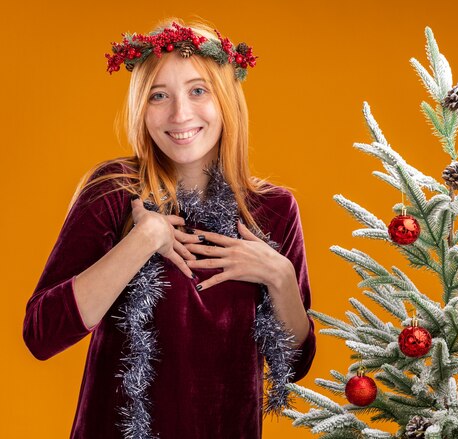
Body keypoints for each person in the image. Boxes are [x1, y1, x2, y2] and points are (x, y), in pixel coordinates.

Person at [23, 19, 316, 439]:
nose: (180, 114)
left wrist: (280, 275)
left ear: (226, 101)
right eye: (159, 96)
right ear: (141, 108)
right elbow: (41, 334)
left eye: (198, 90)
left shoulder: (273, 210)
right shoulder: (114, 191)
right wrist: (143, 240)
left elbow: (296, 363)